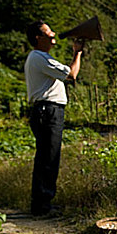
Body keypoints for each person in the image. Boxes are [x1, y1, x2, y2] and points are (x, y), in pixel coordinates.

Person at [24, 20, 84, 217]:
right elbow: (71, 75)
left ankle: (42, 203)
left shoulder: (39, 57)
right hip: (48, 111)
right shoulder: (40, 58)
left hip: (46, 110)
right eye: (48, 32)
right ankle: (42, 207)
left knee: (46, 157)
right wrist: (78, 52)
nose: (53, 34)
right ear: (38, 38)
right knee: (48, 158)